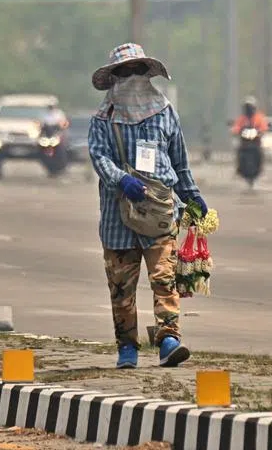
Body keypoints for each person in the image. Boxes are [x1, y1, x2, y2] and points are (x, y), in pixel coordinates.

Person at [87, 43, 209, 370]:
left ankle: (169, 340)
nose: (133, 77)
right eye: (125, 72)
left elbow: (180, 163)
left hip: (160, 212)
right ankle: (127, 347)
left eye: (139, 70)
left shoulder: (165, 113)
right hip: (118, 215)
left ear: (148, 74)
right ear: (115, 77)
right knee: (121, 287)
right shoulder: (103, 119)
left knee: (164, 278)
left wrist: (194, 197)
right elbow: (99, 156)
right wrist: (119, 179)